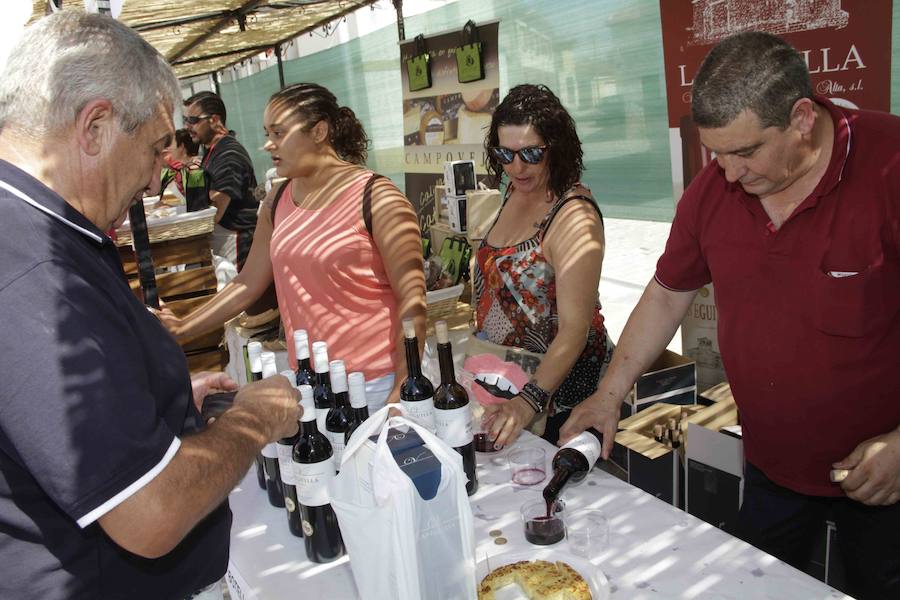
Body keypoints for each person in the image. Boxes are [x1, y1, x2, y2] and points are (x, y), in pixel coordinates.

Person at [560, 31, 900, 599]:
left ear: (801, 119)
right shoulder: (712, 189)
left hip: (885, 475)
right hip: (771, 467)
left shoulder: (889, 165)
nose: (730, 173)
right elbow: (667, 294)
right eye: (715, 154)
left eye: (744, 153)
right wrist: (608, 394)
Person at [0, 12, 299, 600]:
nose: (159, 172)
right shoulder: (34, 269)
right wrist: (253, 419)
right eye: (157, 146)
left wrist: (155, 400)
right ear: (95, 127)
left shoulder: (37, 232)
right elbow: (151, 514)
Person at [161, 83, 426, 411]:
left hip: (376, 385)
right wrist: (183, 328)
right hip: (311, 386)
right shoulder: (277, 200)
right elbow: (246, 284)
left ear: (319, 131)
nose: (267, 144)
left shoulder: (378, 199)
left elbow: (412, 302)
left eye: (279, 133)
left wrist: (402, 390)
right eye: (267, 133)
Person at [477, 84, 612, 447]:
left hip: (560, 399)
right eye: (504, 154)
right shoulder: (513, 190)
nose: (517, 167)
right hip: (510, 382)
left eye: (531, 153)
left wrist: (528, 402)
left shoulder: (574, 217)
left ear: (557, 147)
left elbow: (575, 329)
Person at [183, 92, 258, 271]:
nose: (187, 126)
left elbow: (214, 213)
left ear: (214, 120)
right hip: (224, 240)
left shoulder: (228, 155)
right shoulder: (214, 150)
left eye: (193, 120)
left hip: (236, 244)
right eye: (185, 120)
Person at [161, 128, 209, 212]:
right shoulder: (179, 170)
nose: (169, 148)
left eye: (172, 144)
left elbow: (197, 206)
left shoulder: (195, 171)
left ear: (181, 146)